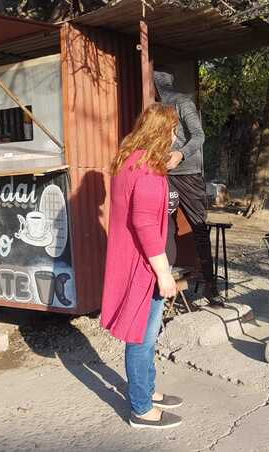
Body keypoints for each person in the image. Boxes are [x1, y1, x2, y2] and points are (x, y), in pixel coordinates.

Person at [101, 103, 184, 429]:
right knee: (141, 338)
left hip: (131, 262)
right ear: (162, 132)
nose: (176, 136)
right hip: (142, 268)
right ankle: (141, 409)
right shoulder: (148, 169)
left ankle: (147, 390)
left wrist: (171, 160)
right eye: (173, 130)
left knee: (145, 336)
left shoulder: (130, 160)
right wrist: (164, 273)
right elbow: (146, 224)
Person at [154, 69, 225, 306]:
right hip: (162, 174)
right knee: (162, 226)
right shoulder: (153, 106)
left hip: (188, 174)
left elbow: (199, 136)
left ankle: (210, 287)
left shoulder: (182, 102)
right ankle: (163, 282)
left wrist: (180, 154)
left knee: (198, 228)